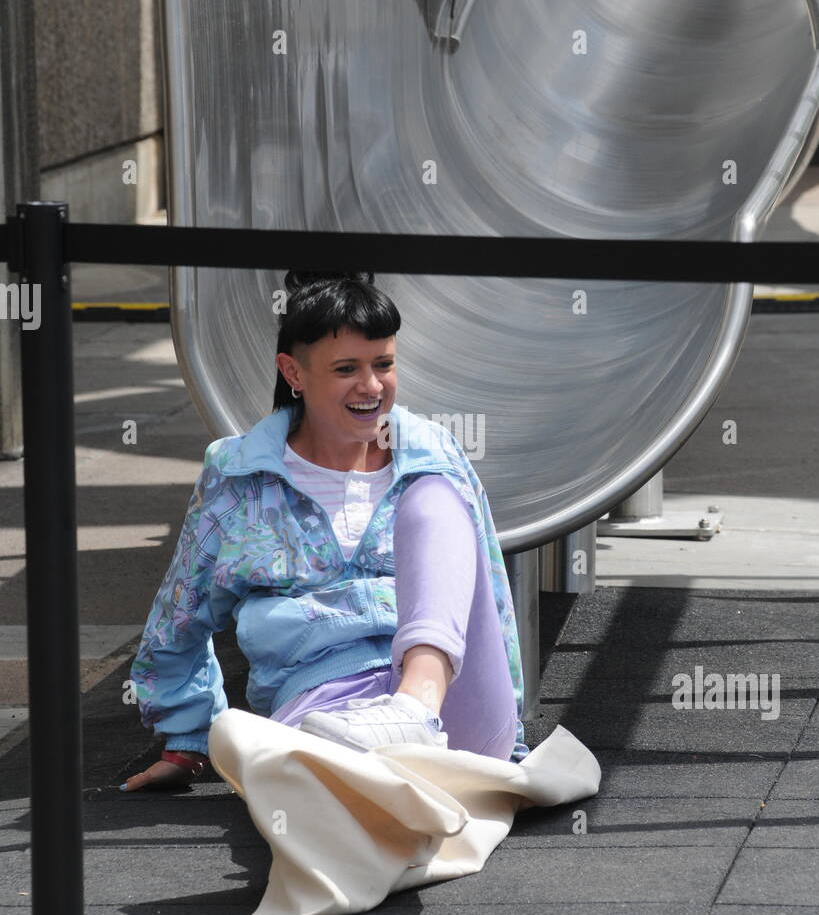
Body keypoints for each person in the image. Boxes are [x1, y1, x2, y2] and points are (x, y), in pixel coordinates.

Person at [122, 271, 529, 791]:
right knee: (335, 792)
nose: (372, 386)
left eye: (383, 364)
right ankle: (380, 776)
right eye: (346, 369)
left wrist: (507, 740)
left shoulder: (433, 453)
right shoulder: (240, 475)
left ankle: (414, 712)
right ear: (293, 371)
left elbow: (491, 598)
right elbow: (181, 613)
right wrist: (187, 737)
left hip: (452, 706)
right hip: (323, 712)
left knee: (432, 499)